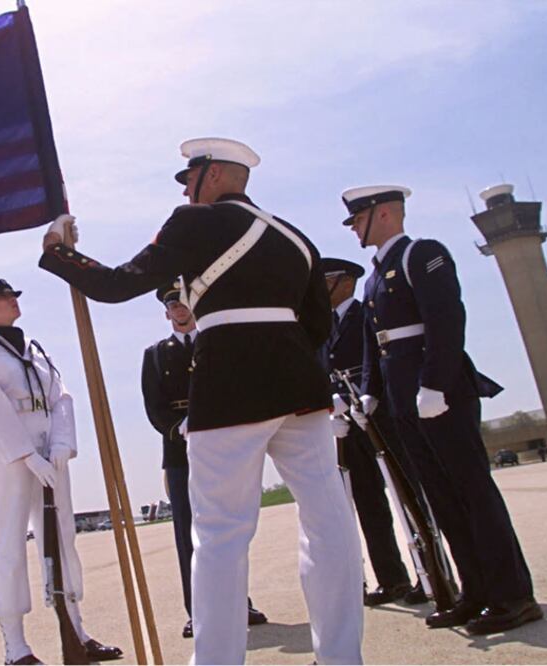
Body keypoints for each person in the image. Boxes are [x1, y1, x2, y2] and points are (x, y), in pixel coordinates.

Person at [39, 138, 363, 665]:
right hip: (303, 389)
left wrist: (59, 251)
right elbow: (319, 325)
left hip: (228, 385)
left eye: (189, 179)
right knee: (328, 525)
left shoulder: (191, 223)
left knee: (219, 536)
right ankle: (343, 657)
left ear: (212, 176)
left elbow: (119, 285)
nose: (187, 190)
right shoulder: (295, 237)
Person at [342, 185, 542, 634]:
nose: (354, 226)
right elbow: (377, 343)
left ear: (387, 214)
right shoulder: (376, 275)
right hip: (402, 401)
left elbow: (447, 319)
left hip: (439, 394)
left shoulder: (422, 254)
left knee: (473, 493)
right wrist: (372, 392)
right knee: (441, 499)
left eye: (359, 218)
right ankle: (475, 592)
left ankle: (513, 595)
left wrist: (434, 384)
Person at [0, 279, 122, 665]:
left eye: (14, 296)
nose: (12, 302)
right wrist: (26, 454)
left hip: (51, 451)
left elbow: (60, 396)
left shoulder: (34, 348)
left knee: (62, 539)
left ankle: (76, 632)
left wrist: (63, 443)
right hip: (6, 454)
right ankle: (15, 647)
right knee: (9, 542)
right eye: (2, 298)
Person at [141, 281, 269, 638]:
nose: (180, 310)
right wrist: (178, 426)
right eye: (173, 305)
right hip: (180, 450)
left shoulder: (218, 344)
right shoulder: (154, 355)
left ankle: (238, 602)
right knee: (188, 532)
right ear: (166, 312)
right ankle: (197, 611)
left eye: (184, 302)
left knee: (230, 526)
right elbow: (154, 408)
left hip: (222, 446)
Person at [320, 257, 427, 607]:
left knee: (406, 491)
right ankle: (391, 577)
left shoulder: (365, 313)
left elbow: (378, 359)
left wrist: (371, 395)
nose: (320, 290)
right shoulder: (323, 325)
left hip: (377, 412)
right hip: (346, 419)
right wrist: (330, 404)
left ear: (346, 282)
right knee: (368, 500)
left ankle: (429, 572)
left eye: (327, 281)